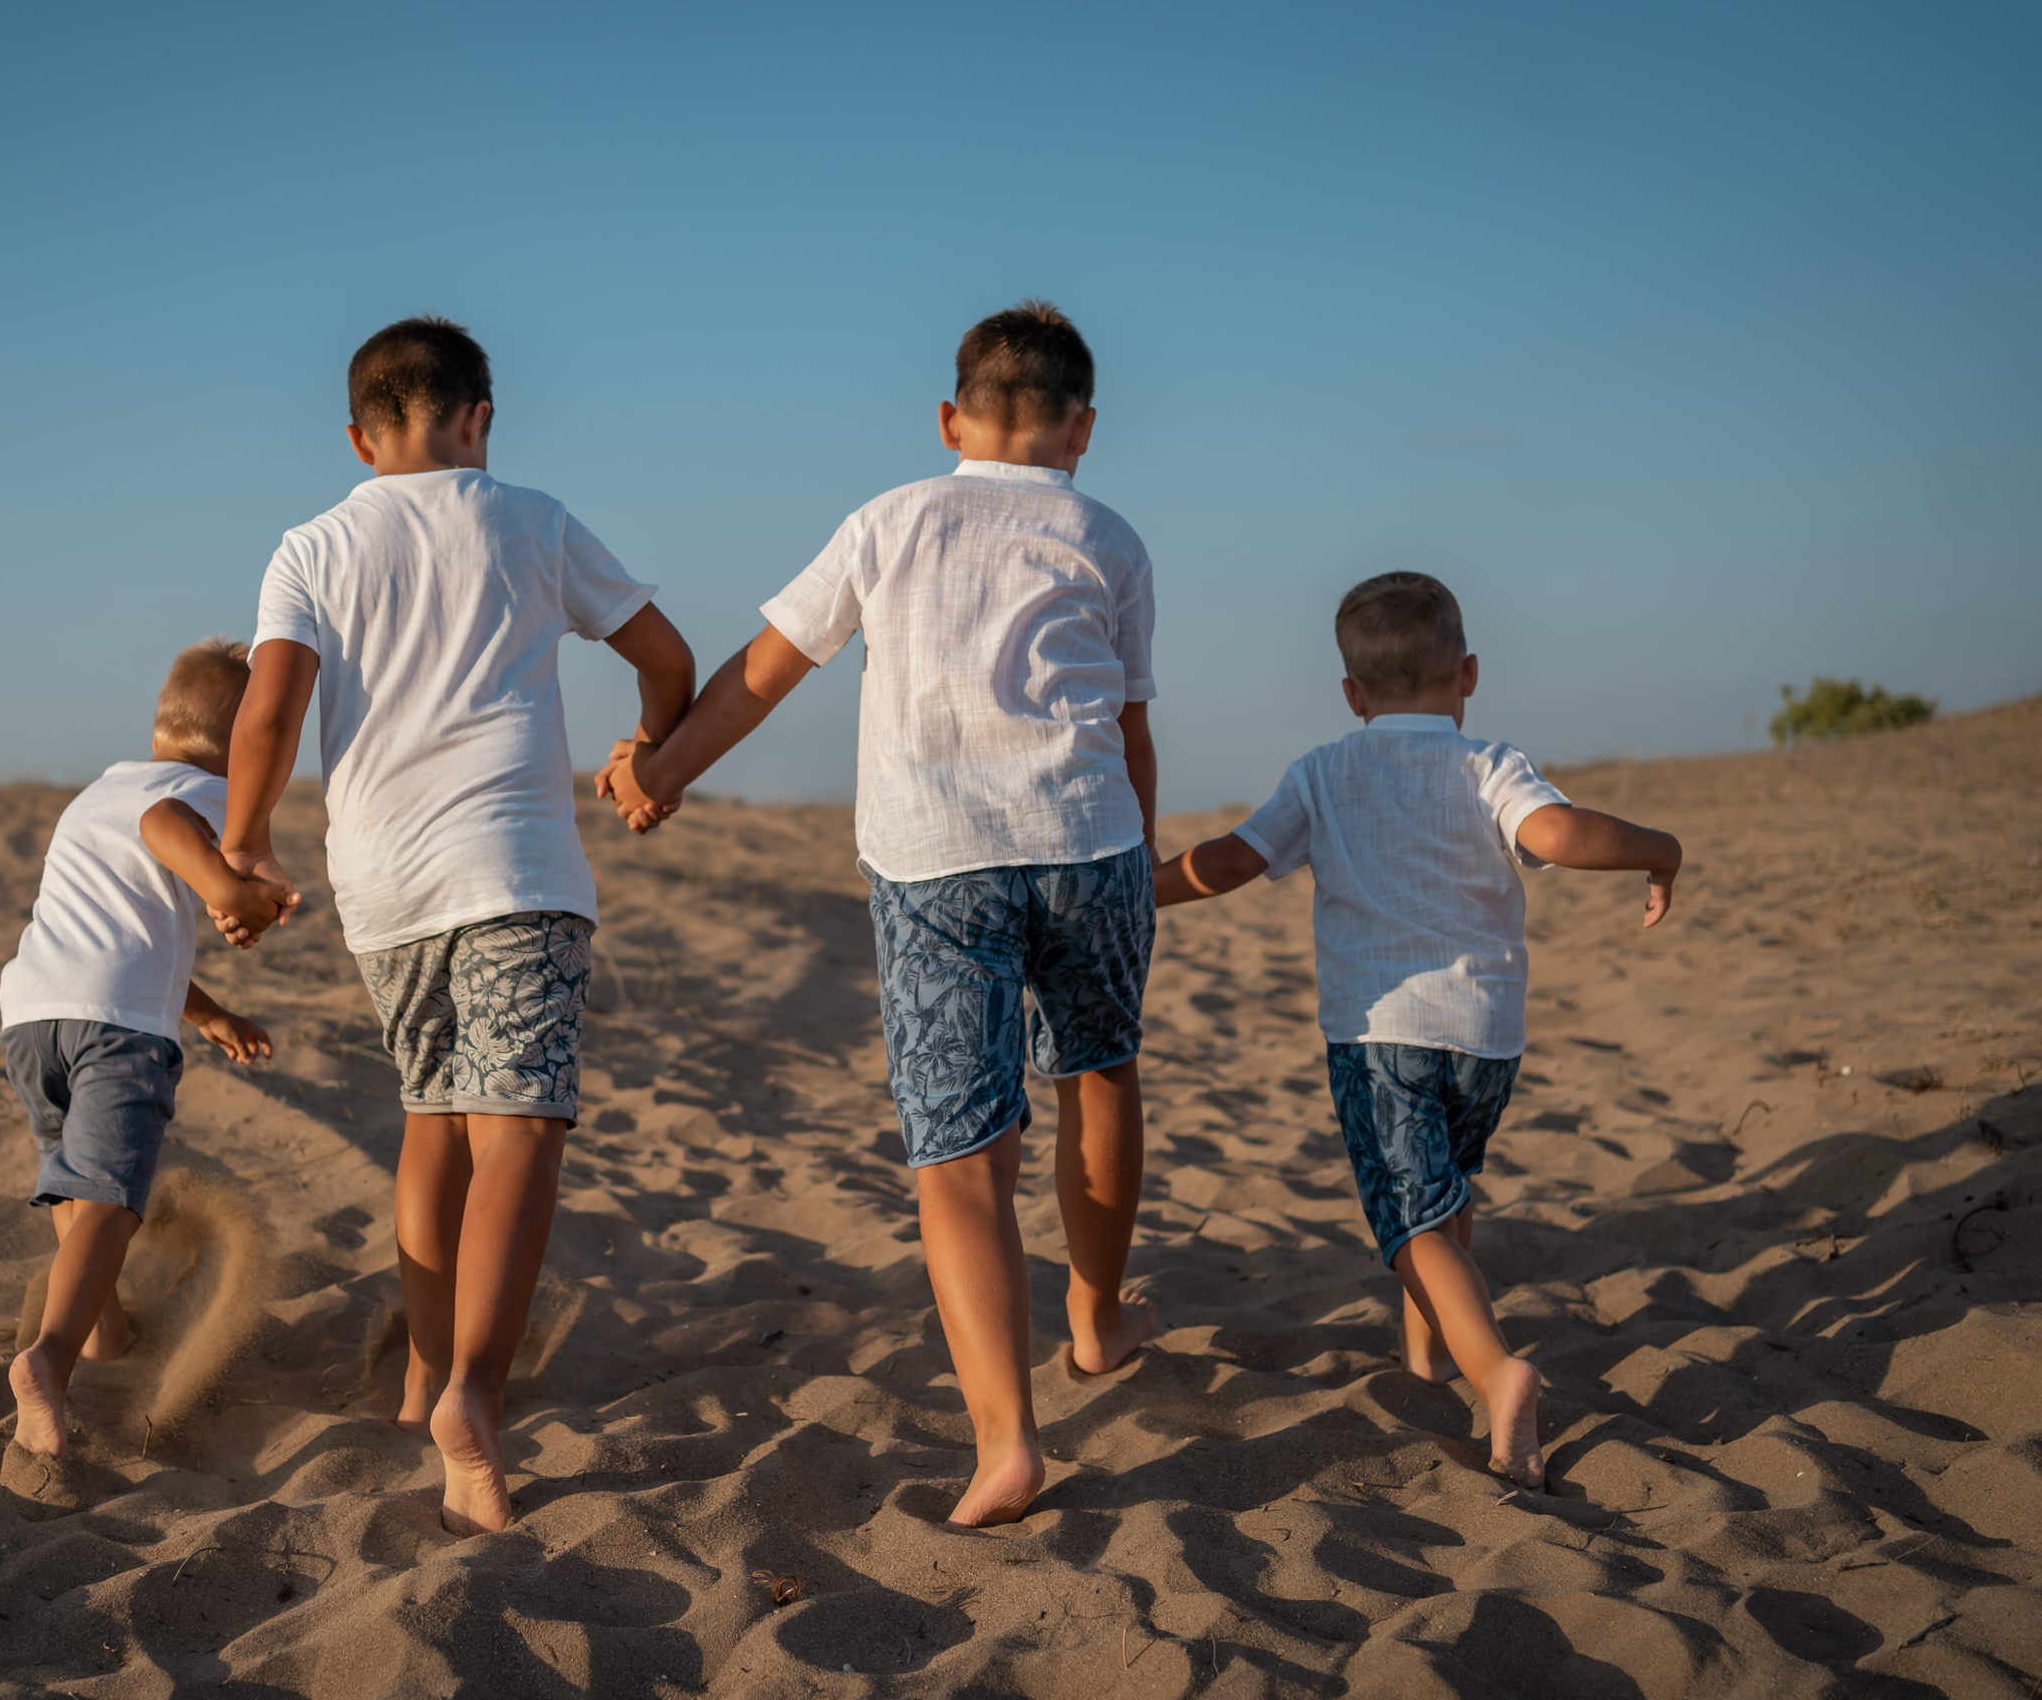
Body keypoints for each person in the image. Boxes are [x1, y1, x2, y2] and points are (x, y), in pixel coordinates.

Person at [601, 301, 1160, 1527]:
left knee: (958, 1157)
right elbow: (1127, 725)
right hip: (1090, 843)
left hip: (936, 863)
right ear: (1083, 427)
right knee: (1100, 1074)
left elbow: (764, 668)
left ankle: (1007, 1442)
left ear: (951, 419)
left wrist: (659, 769)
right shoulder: (1105, 534)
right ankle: (1098, 1319)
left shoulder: (889, 518)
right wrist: (1141, 858)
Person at [210, 316, 697, 1535]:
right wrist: (653, 745)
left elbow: (267, 710)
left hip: (382, 884)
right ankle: (472, 1395)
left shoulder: (311, 544)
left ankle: (427, 1370)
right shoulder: (527, 517)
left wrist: (245, 841)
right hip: (516, 866)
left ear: (358, 435)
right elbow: (666, 653)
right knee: (519, 1121)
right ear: (480, 417)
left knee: (433, 1117)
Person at [1152, 571, 1683, 1488]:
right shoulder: (1490, 765)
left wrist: (1138, 888)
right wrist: (1658, 849)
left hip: (1380, 1033)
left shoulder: (1323, 771)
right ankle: (1428, 1354)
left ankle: (1493, 1371)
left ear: (1352, 694)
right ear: (1467, 673)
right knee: (1443, 1189)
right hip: (1487, 1037)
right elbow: (1556, 835)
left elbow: (1234, 860)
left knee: (1409, 1215)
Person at [0, 637, 284, 1462]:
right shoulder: (194, 792)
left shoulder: (96, 793)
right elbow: (167, 828)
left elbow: (121, 938)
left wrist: (210, 1013)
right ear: (245, 743)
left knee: (73, 1186)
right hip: (116, 1034)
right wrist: (231, 890)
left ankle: (103, 1333)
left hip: (33, 1016)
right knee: (115, 1198)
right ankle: (49, 1360)